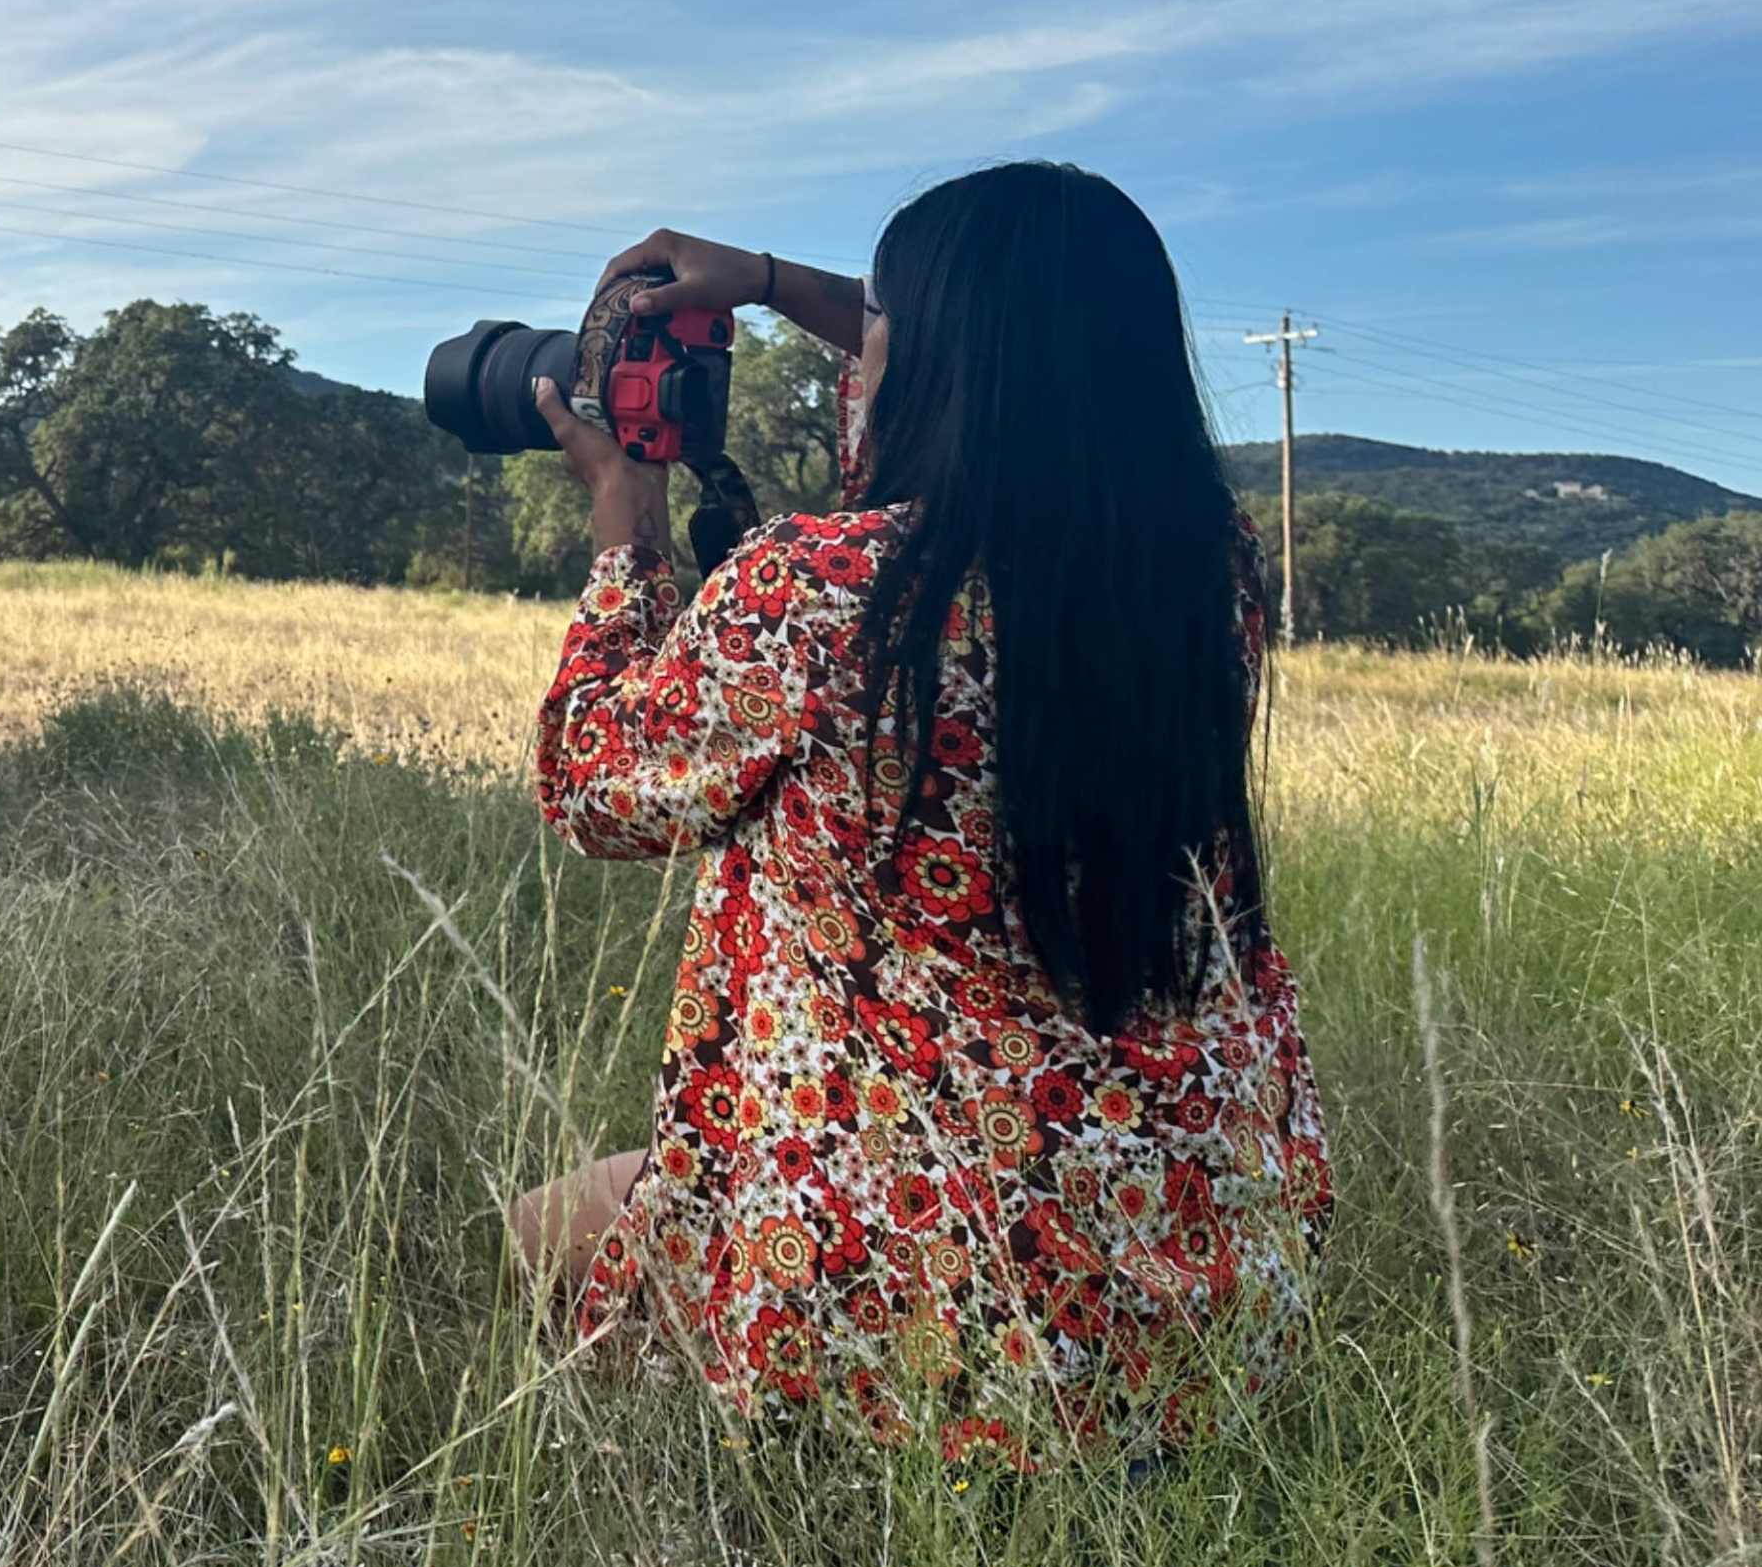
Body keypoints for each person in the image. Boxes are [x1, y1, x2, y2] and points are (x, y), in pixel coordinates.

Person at [511, 164, 1329, 1466]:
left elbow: (598, 787)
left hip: (935, 1270)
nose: (861, 350)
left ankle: (739, 1478)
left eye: (881, 323)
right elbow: (1020, 368)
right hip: (1209, 1278)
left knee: (543, 1236)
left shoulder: (826, 588)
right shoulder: (1206, 575)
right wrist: (772, 285)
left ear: (928, 355)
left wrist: (629, 521)